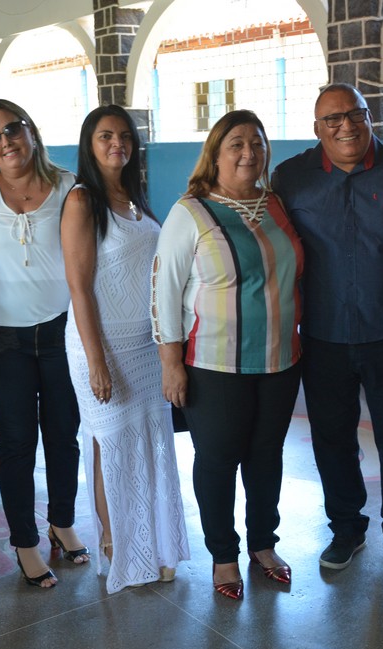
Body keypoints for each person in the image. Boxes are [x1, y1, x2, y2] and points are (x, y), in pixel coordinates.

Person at [271, 84, 383, 578]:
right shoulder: (291, 177)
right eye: (333, 119)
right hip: (323, 334)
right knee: (332, 439)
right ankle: (346, 529)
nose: (346, 126)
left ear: (370, 116)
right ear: (317, 128)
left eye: (356, 114)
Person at [153, 110, 303, 601]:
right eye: (236, 143)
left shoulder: (275, 203)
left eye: (257, 143)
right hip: (214, 364)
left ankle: (263, 544)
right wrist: (171, 362)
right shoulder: (190, 212)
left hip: (280, 359)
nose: (248, 153)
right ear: (215, 154)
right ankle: (223, 555)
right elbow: (164, 291)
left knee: (267, 457)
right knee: (218, 460)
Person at [61, 104, 190, 593]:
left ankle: (153, 543)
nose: (117, 143)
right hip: (101, 344)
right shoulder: (82, 200)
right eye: (105, 136)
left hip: (143, 343)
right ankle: (116, 544)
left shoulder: (135, 198)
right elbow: (79, 288)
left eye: (125, 136)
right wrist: (97, 361)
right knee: (109, 442)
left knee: (149, 442)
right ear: (89, 145)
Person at [0, 99, 89, 589]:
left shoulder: (69, 187)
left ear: (31, 132)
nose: (5, 142)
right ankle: (25, 542)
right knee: (16, 443)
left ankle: (62, 521)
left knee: (63, 435)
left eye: (12, 129)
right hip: (1, 340)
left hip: (60, 331)